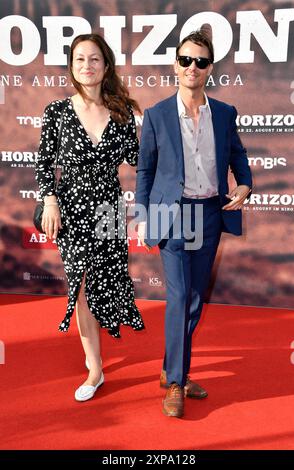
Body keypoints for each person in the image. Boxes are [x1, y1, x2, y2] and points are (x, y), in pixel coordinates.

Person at [135, 30, 252, 418]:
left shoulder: (224, 112)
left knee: (197, 299)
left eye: (200, 62)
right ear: (175, 65)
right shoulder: (155, 115)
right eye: (186, 60)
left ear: (209, 69)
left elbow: (236, 153)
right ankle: (175, 381)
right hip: (172, 213)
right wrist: (142, 214)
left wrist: (246, 181)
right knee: (181, 296)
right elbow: (146, 170)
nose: (192, 67)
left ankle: (176, 371)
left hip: (209, 214)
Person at [35, 33, 144, 402]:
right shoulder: (57, 111)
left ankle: (99, 349)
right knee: (80, 286)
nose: (87, 65)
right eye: (80, 59)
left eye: (94, 59)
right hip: (72, 207)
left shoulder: (122, 112)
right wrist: (50, 201)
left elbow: (139, 160)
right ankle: (94, 367)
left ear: (106, 65)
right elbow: (44, 163)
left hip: (109, 208)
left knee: (103, 282)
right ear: (71, 66)